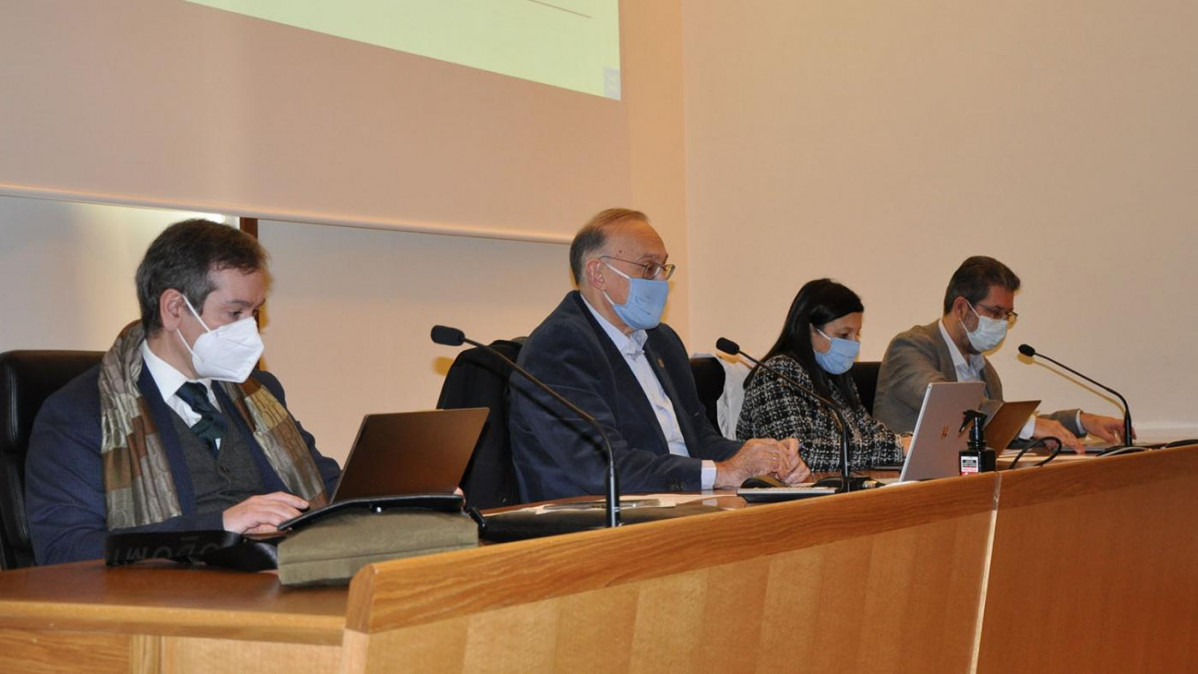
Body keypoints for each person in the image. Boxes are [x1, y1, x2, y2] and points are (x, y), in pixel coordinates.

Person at [25, 219, 341, 565]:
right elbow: (65, 550)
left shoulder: (261, 395)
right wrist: (218, 527)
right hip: (170, 605)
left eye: (255, 313)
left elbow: (333, 490)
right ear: (174, 308)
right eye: (235, 313)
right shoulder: (79, 413)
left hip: (281, 585)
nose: (251, 331)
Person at [509, 208, 809, 501]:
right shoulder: (559, 346)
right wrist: (720, 473)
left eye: (664, 268)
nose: (661, 281)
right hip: (595, 523)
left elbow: (700, 441)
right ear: (598, 273)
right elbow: (604, 466)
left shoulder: (662, 340)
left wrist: (764, 457)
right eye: (648, 267)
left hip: (680, 505)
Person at [873, 255, 1127, 451]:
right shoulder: (910, 347)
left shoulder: (982, 368)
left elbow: (1001, 429)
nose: (1003, 323)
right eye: (995, 313)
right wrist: (1029, 424)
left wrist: (1081, 421)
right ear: (961, 308)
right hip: (905, 487)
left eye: (1008, 315)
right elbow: (948, 405)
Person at [737, 279, 906, 471]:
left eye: (857, 334)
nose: (854, 344)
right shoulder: (778, 375)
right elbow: (801, 455)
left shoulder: (836, 375)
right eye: (844, 335)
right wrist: (897, 449)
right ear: (810, 330)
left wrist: (910, 442)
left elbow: (868, 431)